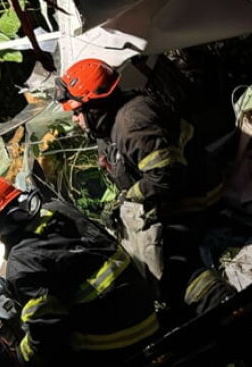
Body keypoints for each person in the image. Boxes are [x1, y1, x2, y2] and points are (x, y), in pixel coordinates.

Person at [55, 58, 235, 321]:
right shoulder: (109, 126)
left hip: (195, 198)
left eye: (77, 111)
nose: (75, 119)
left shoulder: (133, 122)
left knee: (169, 264)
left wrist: (131, 198)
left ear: (95, 106)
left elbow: (167, 176)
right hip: (170, 199)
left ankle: (224, 305)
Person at [0, 175, 158, 367]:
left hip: (117, 339)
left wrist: (24, 359)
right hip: (145, 306)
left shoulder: (22, 264)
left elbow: (46, 332)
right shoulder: (58, 209)